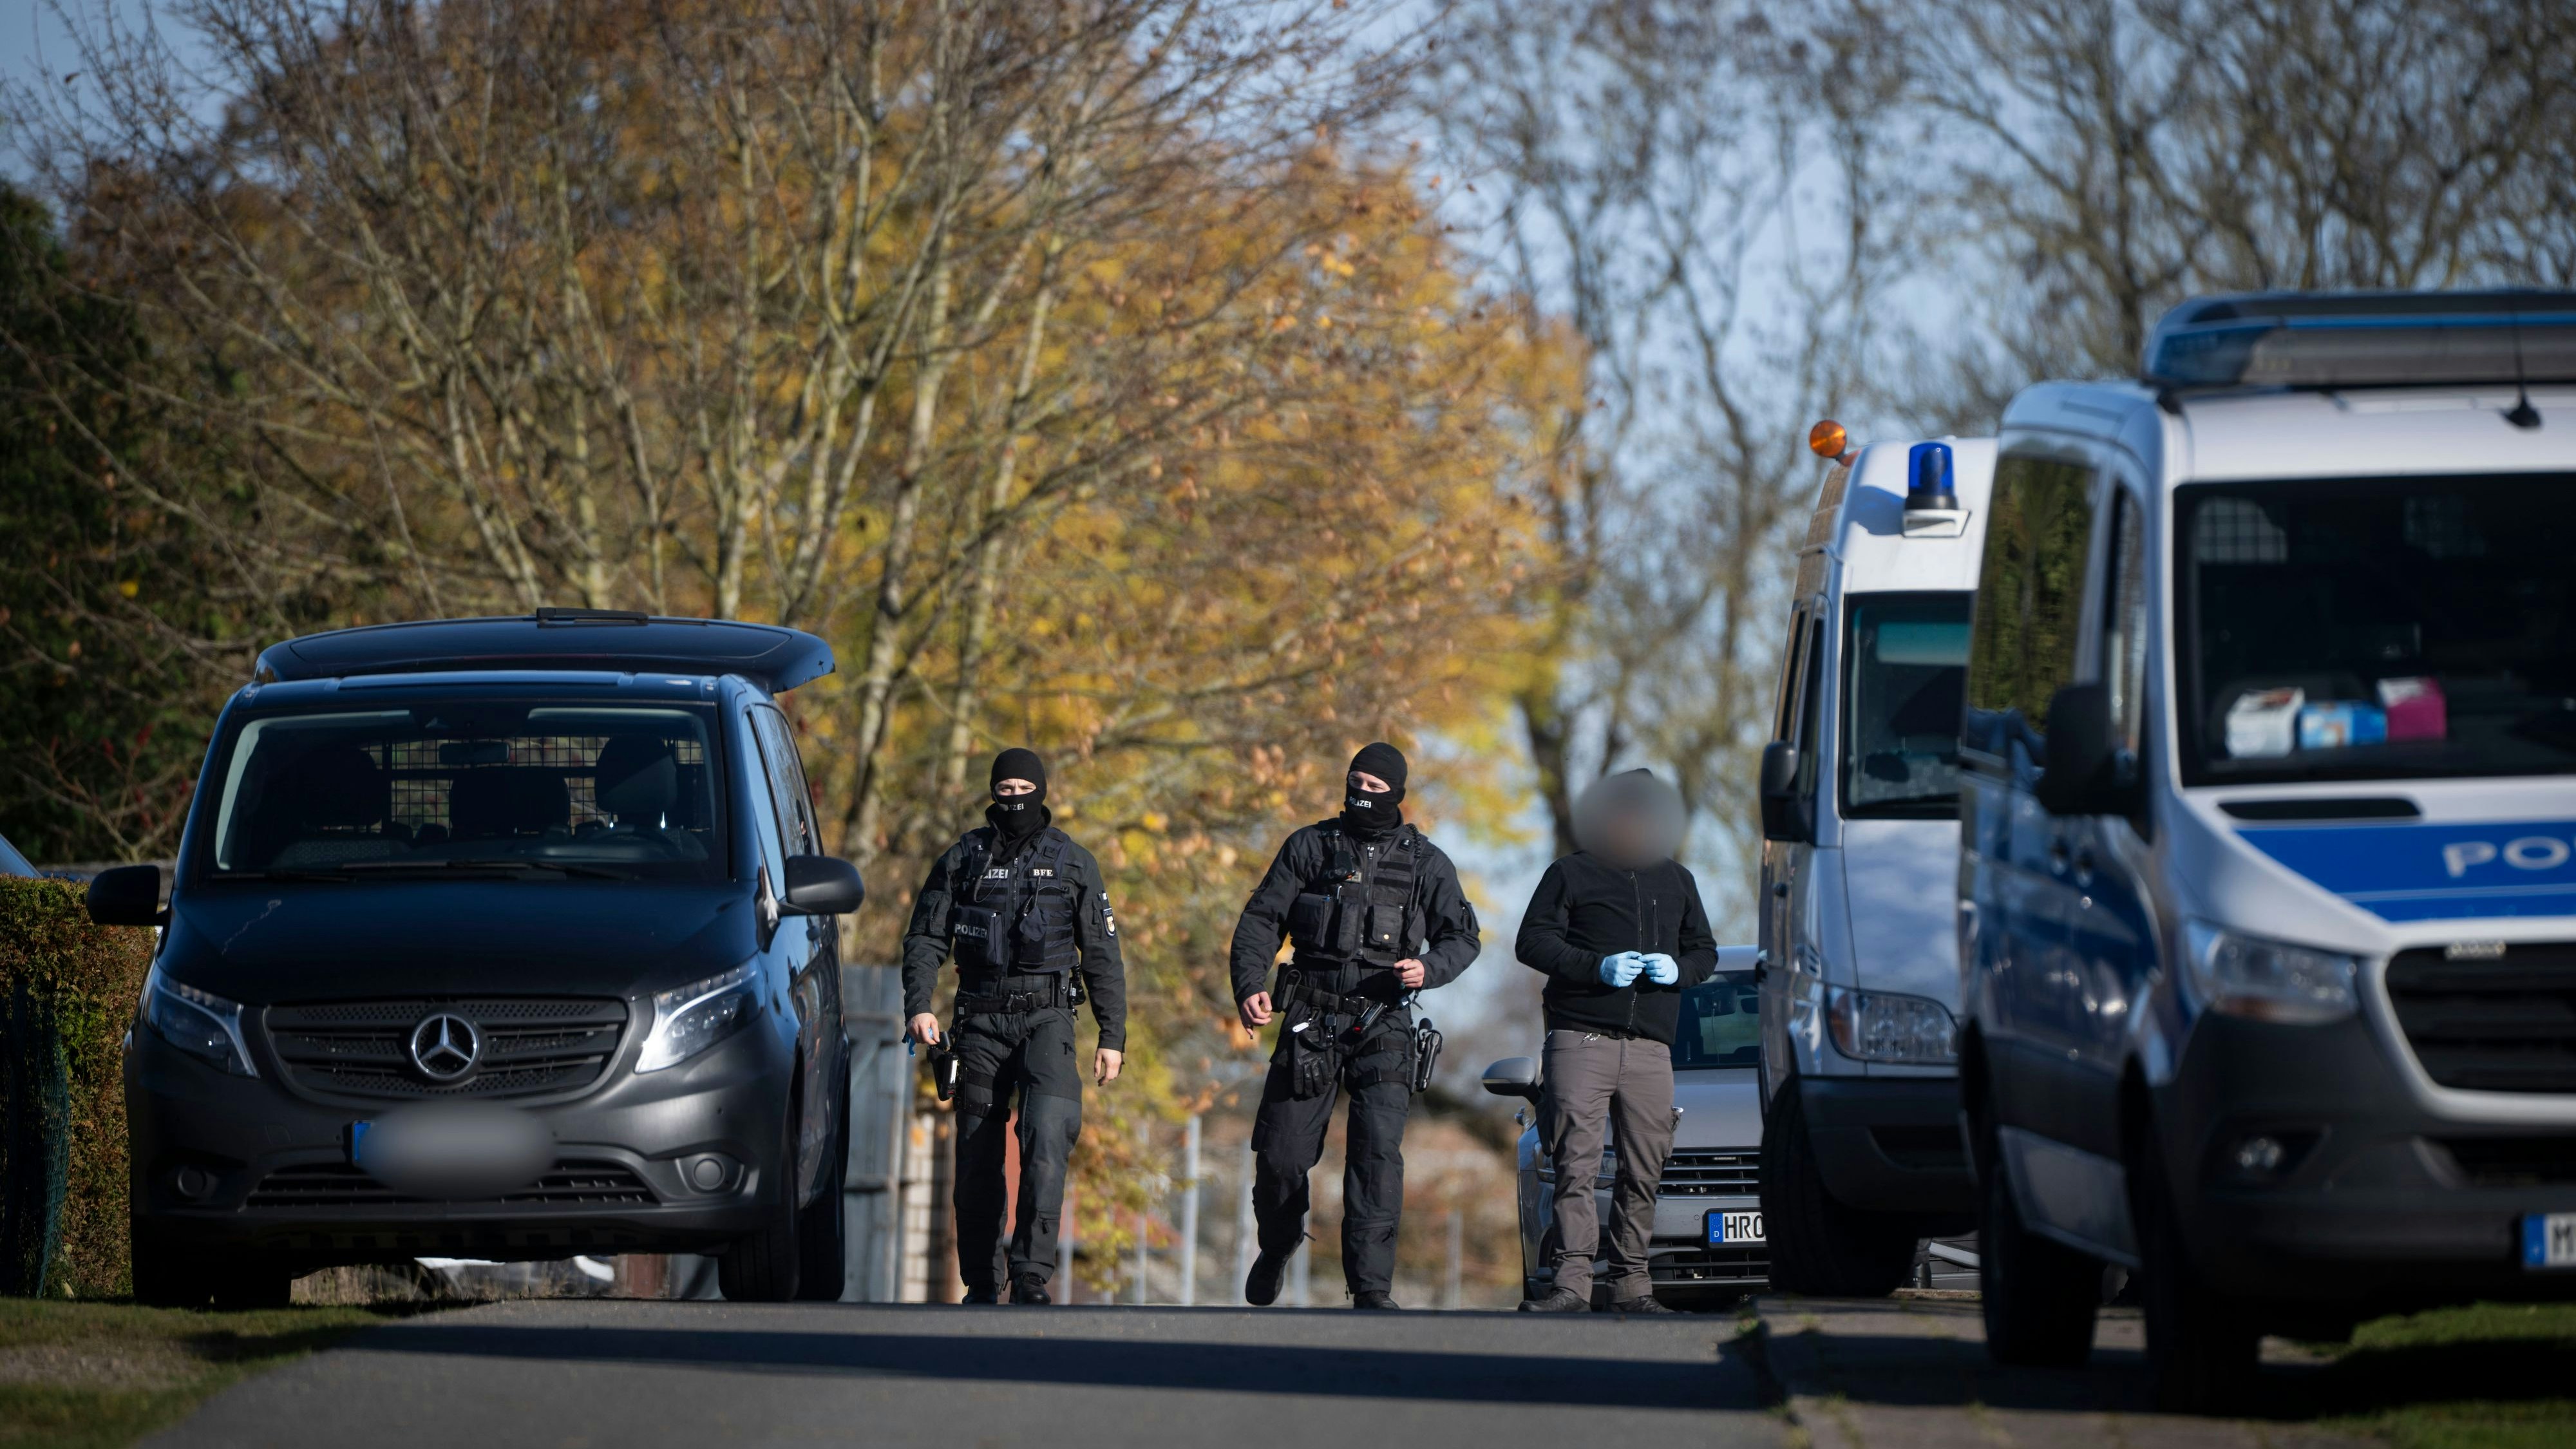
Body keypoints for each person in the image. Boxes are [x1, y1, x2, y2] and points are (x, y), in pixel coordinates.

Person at [1229, 741, 1481, 1309]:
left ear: (1397, 795)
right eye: (1355, 783)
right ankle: (1279, 1241)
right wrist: (1249, 986)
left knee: (1376, 1157)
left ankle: (1370, 1289)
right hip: (1309, 1019)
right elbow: (1261, 921)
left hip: (1384, 1022)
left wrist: (1429, 969)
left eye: (1374, 788)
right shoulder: (1309, 847)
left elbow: (1463, 938)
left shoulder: (1426, 862)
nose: (1362, 795)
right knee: (1280, 1157)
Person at [903, 748, 1126, 1305]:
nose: (1015, 798)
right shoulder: (963, 858)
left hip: (1048, 1019)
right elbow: (926, 937)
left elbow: (1102, 954)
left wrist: (1112, 1036)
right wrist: (919, 1003)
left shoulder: (1074, 862)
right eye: (1005, 789)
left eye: (1025, 787)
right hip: (978, 1020)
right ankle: (981, 1278)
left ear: (1042, 791)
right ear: (992, 792)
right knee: (977, 1153)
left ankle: (1031, 1274)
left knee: (1048, 1136)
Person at [1514, 768, 1716, 1314]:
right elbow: (1531, 941)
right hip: (1580, 1040)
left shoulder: (1678, 880)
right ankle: (1572, 1287)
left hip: (1651, 1049)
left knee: (1644, 1169)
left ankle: (1633, 1287)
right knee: (1575, 1167)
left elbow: (1705, 952)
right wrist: (1596, 967)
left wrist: (1678, 970)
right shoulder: (1571, 873)